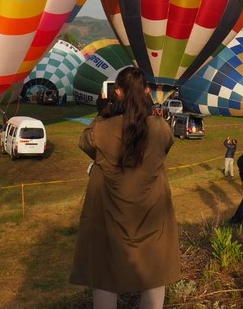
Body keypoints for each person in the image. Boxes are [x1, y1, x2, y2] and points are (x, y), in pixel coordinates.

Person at [70, 67, 179, 309]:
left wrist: (103, 113)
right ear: (148, 92)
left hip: (110, 216)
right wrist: (147, 110)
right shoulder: (160, 128)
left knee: (105, 275)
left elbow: (85, 142)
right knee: (154, 272)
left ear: (116, 92)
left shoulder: (101, 130)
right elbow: (165, 144)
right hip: (152, 214)